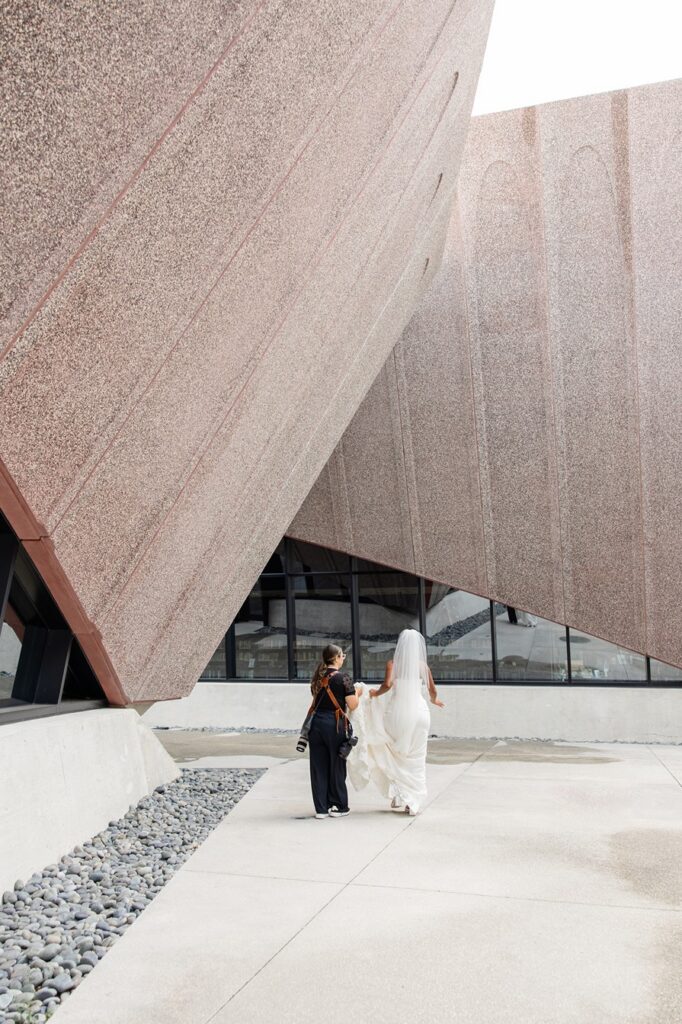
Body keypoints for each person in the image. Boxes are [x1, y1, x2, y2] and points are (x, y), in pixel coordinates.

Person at [350, 629, 444, 816]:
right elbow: (432, 689)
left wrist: (376, 693)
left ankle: (400, 795)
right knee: (417, 757)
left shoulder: (393, 664)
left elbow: (387, 685)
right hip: (420, 713)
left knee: (395, 754)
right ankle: (412, 800)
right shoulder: (422, 667)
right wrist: (434, 700)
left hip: (397, 714)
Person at [307, 643, 360, 819]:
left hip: (316, 725)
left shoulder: (317, 677)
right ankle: (339, 806)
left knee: (318, 767)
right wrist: (358, 692)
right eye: (342, 655)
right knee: (337, 765)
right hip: (334, 724)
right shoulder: (343, 678)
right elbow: (352, 705)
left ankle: (321, 808)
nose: (343, 658)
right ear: (337, 658)